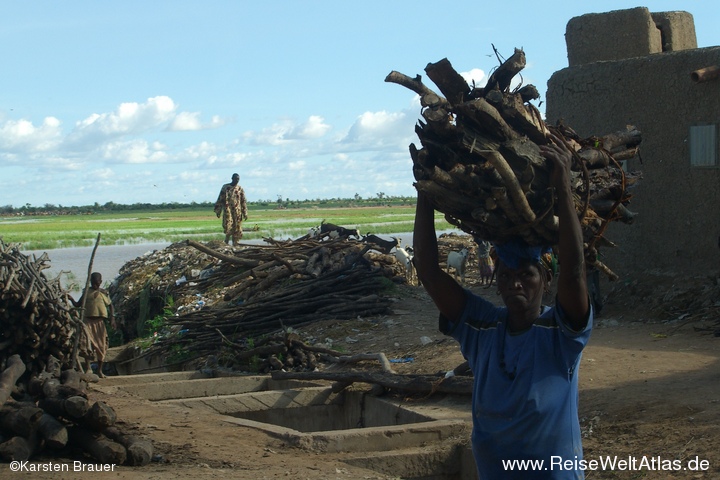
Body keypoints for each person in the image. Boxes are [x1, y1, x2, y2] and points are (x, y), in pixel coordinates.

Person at [413, 133, 593, 479]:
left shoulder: (561, 333)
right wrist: (426, 191)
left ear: (546, 281)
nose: (515, 283)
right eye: (506, 274)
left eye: (527, 275)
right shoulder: (482, 327)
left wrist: (563, 190)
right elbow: (429, 273)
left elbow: (574, 271)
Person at [70, 272, 116, 378]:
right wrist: (71, 299)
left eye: (97, 283)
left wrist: (112, 318)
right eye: (94, 284)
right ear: (90, 282)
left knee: (101, 346)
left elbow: (110, 305)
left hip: (99, 323)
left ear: (100, 282)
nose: (96, 286)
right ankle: (88, 368)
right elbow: (78, 304)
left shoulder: (103, 294)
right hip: (87, 322)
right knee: (86, 345)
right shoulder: (87, 292)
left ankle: (99, 370)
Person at [214, 173, 248, 245]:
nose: (237, 180)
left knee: (237, 227)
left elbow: (243, 201)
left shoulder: (239, 188)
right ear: (232, 178)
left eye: (238, 179)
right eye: (236, 179)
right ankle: (226, 241)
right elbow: (220, 199)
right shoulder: (226, 187)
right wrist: (218, 211)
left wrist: (245, 213)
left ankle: (235, 243)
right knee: (228, 225)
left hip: (237, 211)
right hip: (228, 210)